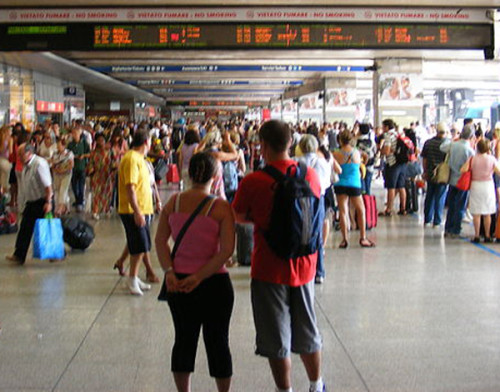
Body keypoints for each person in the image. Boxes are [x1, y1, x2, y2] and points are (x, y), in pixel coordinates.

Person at [233, 120, 326, 392]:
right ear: (290, 144)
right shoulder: (309, 175)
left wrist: (261, 218)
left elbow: (238, 215)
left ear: (262, 146)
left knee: (276, 337)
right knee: (308, 330)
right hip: (305, 265)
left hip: (268, 267)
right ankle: (316, 384)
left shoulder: (254, 181)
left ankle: (284, 390)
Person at [155, 152, 235, 392]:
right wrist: (199, 276)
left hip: (178, 282)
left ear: (189, 174)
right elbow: (227, 251)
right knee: (218, 342)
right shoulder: (220, 207)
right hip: (215, 283)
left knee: (183, 341)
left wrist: (169, 271)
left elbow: (160, 241)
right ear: (215, 175)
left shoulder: (174, 203)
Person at [296, 134, 338, 284]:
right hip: (318, 200)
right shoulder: (323, 162)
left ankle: (299, 269)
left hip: (298, 200)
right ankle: (319, 271)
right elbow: (326, 184)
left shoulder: (295, 163)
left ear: (300, 147)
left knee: (298, 233)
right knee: (317, 234)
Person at [118, 129, 154, 296]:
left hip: (142, 209)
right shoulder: (132, 159)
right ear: (146, 142)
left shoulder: (139, 158)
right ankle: (132, 278)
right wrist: (137, 212)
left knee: (140, 246)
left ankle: (134, 277)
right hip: (132, 210)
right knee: (139, 246)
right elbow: (130, 188)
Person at [6, 143, 53, 264]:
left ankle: (57, 253)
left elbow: (48, 186)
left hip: (42, 201)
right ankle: (19, 255)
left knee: (47, 229)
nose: (19, 157)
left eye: (21, 154)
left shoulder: (39, 164)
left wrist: (49, 202)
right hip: (31, 202)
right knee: (25, 229)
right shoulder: (26, 165)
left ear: (29, 153)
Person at [333, 130, 376, 249]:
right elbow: (366, 157)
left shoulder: (335, 154)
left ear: (340, 140)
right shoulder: (357, 153)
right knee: (361, 210)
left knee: (342, 211)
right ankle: (363, 238)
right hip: (354, 183)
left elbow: (333, 167)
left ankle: (344, 239)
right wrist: (361, 166)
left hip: (340, 184)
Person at [461, 139, 500, 243]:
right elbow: (498, 171)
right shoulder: (491, 159)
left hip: (476, 185)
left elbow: (463, 169)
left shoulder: (472, 159)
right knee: (487, 212)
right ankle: (487, 236)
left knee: (477, 212)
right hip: (488, 186)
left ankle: (477, 235)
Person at [441, 124, 476, 238]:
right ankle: (456, 229)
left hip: (452, 179)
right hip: (463, 181)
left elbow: (442, 147)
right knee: (460, 206)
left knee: (451, 205)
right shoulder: (470, 151)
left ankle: (448, 228)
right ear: (471, 137)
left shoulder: (454, 145)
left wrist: (452, 138)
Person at [421, 122, 449, 227]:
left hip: (430, 172)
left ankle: (427, 219)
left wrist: (425, 171)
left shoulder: (428, 143)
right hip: (443, 173)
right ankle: (437, 221)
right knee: (440, 197)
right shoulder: (447, 144)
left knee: (429, 195)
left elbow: (424, 158)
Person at [379, 119, 407, 216]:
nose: (382, 129)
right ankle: (403, 208)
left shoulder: (388, 136)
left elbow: (386, 151)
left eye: (383, 127)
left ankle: (389, 209)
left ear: (387, 127)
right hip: (402, 163)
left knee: (391, 187)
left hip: (392, 163)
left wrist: (381, 151)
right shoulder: (399, 134)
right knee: (401, 186)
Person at [87, 133, 117, 220]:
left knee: (107, 194)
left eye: (102, 140)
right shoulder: (93, 153)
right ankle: (95, 211)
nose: (101, 142)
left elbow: (114, 161)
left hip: (107, 175)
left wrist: (114, 167)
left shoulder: (110, 152)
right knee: (96, 194)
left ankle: (106, 209)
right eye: (99, 140)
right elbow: (90, 164)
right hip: (97, 176)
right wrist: (91, 170)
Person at [67, 125, 90, 212]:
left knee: (81, 185)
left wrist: (83, 156)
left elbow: (89, 153)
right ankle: (77, 200)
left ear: (80, 134)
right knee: (74, 185)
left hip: (82, 167)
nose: (74, 135)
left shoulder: (84, 143)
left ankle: (80, 202)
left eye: (76, 133)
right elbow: (67, 154)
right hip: (73, 168)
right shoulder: (70, 144)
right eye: (73, 133)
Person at [51, 137, 74, 216]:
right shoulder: (55, 154)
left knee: (63, 190)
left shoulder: (69, 154)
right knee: (57, 190)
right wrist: (56, 170)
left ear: (64, 146)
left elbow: (71, 165)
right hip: (57, 175)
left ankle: (60, 209)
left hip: (66, 175)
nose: (58, 147)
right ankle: (64, 207)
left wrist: (63, 170)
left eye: (59, 145)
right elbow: (52, 164)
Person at [0, 125, 12, 196]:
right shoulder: (10, 139)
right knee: (4, 182)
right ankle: (3, 198)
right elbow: (10, 152)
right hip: (5, 162)